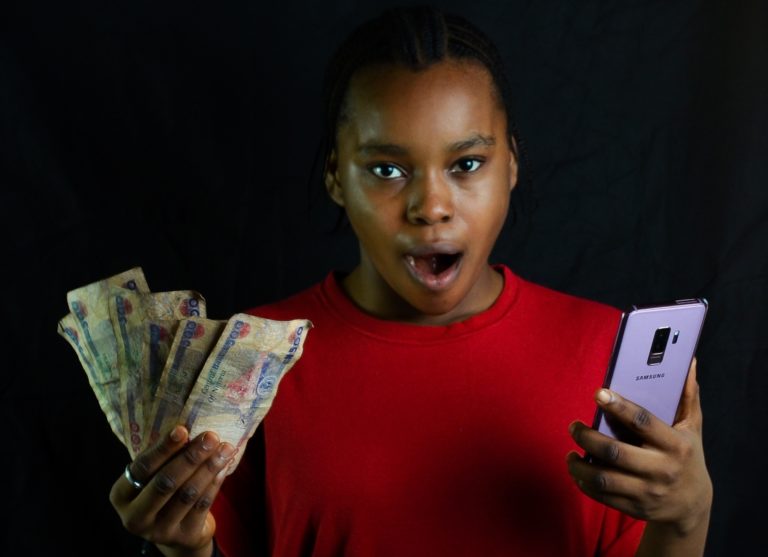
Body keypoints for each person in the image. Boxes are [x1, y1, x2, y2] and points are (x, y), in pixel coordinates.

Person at [109, 6, 712, 557]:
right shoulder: (250, 356)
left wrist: (687, 516)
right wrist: (181, 551)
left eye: (467, 164)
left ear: (512, 164)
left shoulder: (606, 350)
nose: (431, 207)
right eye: (387, 169)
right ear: (336, 176)